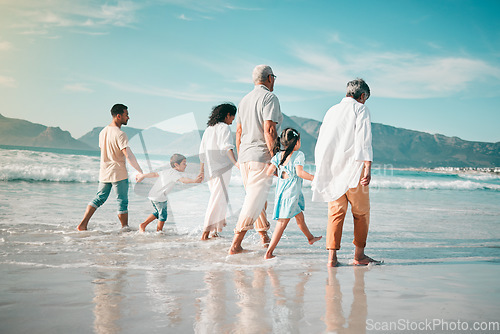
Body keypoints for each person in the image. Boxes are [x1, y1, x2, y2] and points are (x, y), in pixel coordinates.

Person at [312, 78, 380, 267]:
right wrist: (367, 167)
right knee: (361, 213)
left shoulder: (331, 111)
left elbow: (323, 141)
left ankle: (332, 259)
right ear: (363, 96)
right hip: (353, 169)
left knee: (335, 213)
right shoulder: (361, 109)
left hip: (332, 169)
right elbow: (364, 139)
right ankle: (359, 256)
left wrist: (322, 169)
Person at [228, 64, 283, 255]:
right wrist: (276, 157)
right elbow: (270, 129)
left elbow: (239, 131)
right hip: (260, 155)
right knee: (253, 200)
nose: (274, 80)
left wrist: (241, 154)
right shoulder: (270, 97)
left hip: (245, 156)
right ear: (269, 78)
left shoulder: (244, 100)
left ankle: (263, 236)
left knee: (256, 197)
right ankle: (235, 244)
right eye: (274, 77)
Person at [77, 104, 143, 231]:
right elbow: (128, 155)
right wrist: (140, 171)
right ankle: (124, 228)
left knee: (99, 198)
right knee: (122, 201)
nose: (128, 117)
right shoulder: (120, 134)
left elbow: (105, 151)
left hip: (104, 171)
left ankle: (83, 224)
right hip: (118, 172)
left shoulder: (103, 132)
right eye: (126, 115)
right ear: (118, 116)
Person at [265, 128, 322, 259]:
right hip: (291, 194)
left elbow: (269, 172)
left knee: (299, 217)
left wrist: (281, 173)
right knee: (282, 224)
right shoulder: (299, 154)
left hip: (281, 193)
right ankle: (268, 253)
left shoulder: (278, 155)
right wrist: (316, 178)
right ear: (296, 142)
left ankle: (310, 238)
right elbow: (300, 173)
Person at [198, 103, 239, 240]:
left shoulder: (209, 129)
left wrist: (202, 171)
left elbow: (202, 153)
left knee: (220, 198)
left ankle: (215, 231)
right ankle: (205, 233)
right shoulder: (225, 128)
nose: (233, 120)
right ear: (227, 115)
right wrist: (236, 163)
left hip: (210, 169)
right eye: (233, 116)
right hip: (221, 168)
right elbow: (227, 147)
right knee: (216, 199)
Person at [136, 154, 202, 232]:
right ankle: (159, 231)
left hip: (153, 195)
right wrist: (194, 181)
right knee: (163, 215)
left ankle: (144, 225)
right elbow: (183, 180)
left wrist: (143, 176)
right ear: (176, 165)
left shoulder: (166, 171)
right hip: (159, 197)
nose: (186, 165)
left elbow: (154, 174)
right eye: (184, 163)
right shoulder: (175, 173)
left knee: (158, 212)